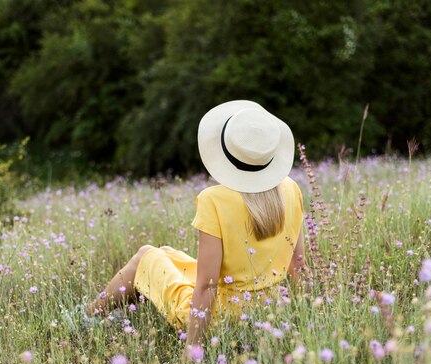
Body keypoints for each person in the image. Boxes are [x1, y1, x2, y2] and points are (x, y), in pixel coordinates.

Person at [85, 100, 306, 346]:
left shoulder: (215, 199)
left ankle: (87, 317)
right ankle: (121, 314)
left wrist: (193, 348)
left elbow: (207, 286)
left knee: (145, 255)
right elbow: (299, 265)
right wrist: (306, 320)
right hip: (268, 309)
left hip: (221, 314)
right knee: (167, 254)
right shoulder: (291, 188)